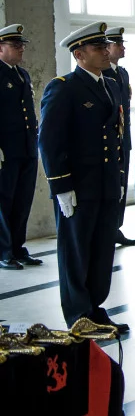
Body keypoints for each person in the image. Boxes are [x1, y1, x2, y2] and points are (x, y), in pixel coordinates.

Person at [41, 22, 129, 333]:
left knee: (102, 249)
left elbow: (115, 137)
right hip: (78, 185)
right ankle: (78, 314)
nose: (106, 51)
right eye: (98, 48)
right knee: (77, 251)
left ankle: (95, 307)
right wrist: (61, 186)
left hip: (105, 182)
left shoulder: (111, 83)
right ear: (79, 54)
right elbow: (50, 141)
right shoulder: (64, 87)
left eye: (106, 46)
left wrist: (118, 178)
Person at [0, 25, 41, 270]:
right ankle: (4, 251)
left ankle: (18, 247)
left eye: (22, 45)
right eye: (15, 45)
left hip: (26, 148)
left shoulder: (22, 74)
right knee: (4, 202)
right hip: (6, 151)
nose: (21, 48)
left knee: (22, 201)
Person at [101, 27, 135, 248]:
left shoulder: (122, 73)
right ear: (108, 48)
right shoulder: (102, 74)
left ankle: (116, 227)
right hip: (108, 141)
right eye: (118, 44)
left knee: (122, 185)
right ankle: (107, 228)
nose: (122, 47)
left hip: (123, 138)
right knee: (111, 185)